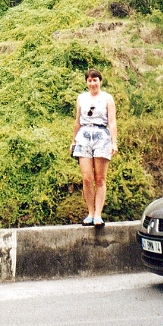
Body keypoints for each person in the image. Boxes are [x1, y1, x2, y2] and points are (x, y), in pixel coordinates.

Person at [70, 68, 117, 226]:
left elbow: (112, 122)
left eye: (95, 80)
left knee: (100, 178)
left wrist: (114, 142)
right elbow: (77, 121)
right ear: (86, 82)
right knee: (87, 178)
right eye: (89, 80)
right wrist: (73, 141)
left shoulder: (107, 98)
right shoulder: (81, 98)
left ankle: (98, 214)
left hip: (101, 136)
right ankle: (90, 213)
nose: (92, 83)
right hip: (84, 136)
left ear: (100, 81)